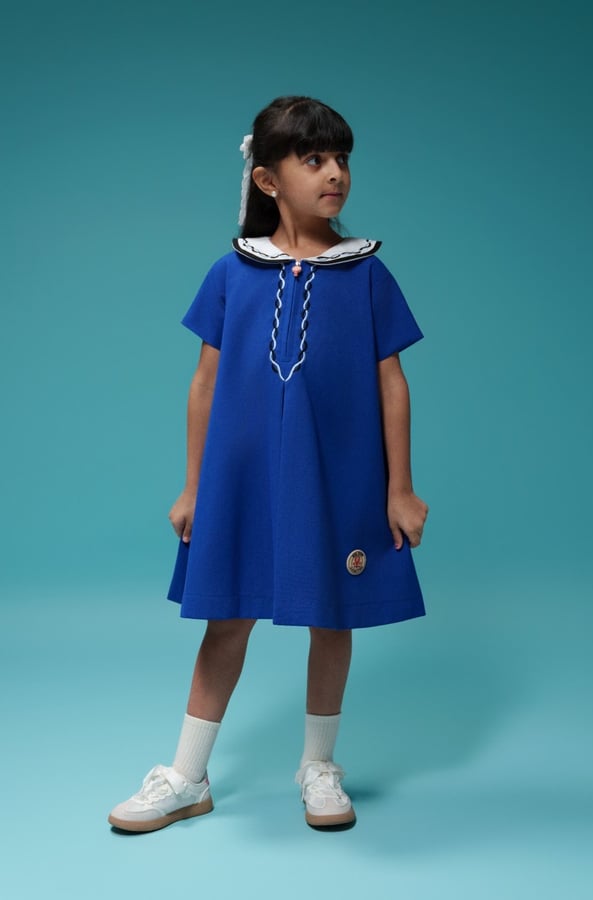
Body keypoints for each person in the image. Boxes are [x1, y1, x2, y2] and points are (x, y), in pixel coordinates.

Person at [108, 95, 428, 833]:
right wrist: (194, 486)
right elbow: (205, 384)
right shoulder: (233, 272)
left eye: (342, 159)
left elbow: (392, 383)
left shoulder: (368, 275)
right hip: (243, 479)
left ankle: (319, 766)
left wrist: (401, 488)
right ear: (267, 179)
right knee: (227, 617)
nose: (335, 173)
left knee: (330, 615)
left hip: (338, 474)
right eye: (314, 159)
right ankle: (187, 775)